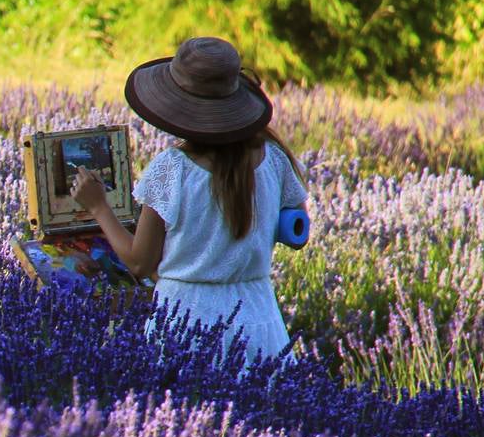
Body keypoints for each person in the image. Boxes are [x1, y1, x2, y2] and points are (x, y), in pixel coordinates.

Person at [68, 35, 308, 366]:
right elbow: (296, 228)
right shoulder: (274, 159)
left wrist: (98, 207)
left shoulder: (173, 168)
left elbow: (140, 264)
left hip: (187, 322)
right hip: (259, 321)